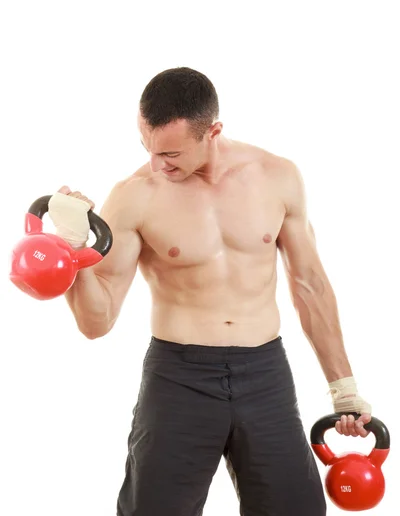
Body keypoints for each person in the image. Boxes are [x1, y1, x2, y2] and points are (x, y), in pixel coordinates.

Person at [48, 67, 372, 516]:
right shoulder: (134, 196)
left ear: (213, 131)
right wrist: (72, 251)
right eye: (148, 148)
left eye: (171, 153)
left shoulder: (277, 176)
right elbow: (95, 322)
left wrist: (344, 389)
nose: (157, 164)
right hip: (177, 378)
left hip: (265, 376)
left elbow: (310, 286)